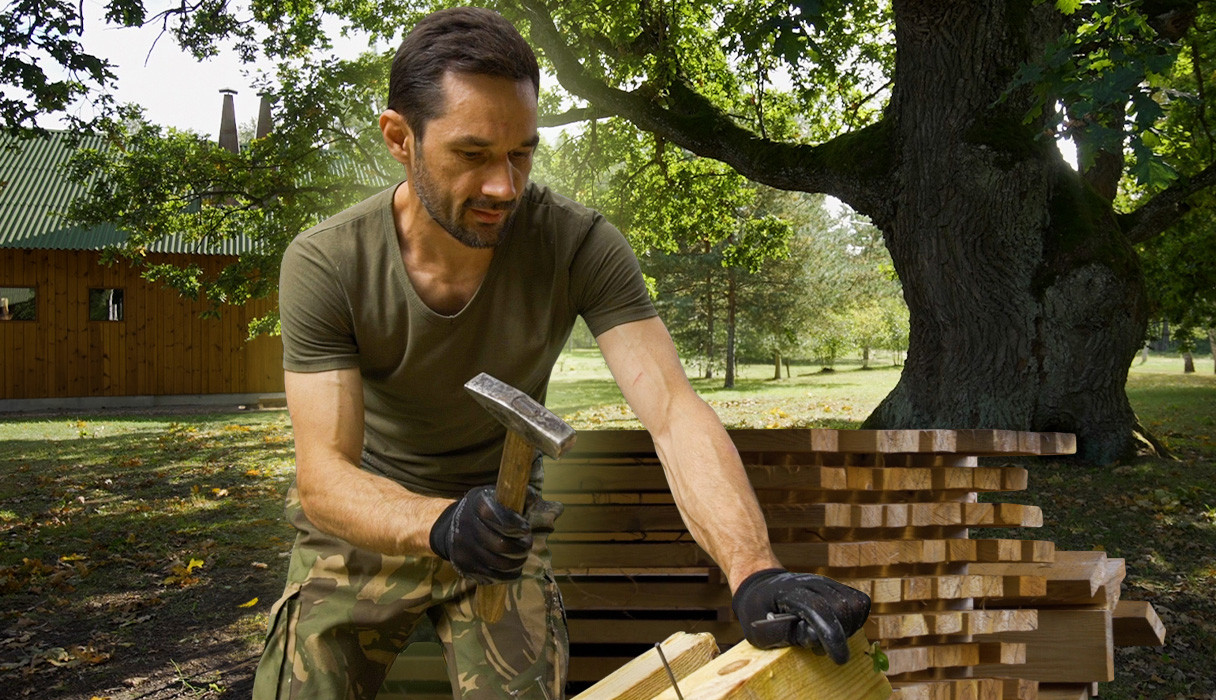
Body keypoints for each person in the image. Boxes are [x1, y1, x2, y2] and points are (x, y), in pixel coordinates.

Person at [253, 7, 869, 699]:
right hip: (369, 525)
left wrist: (754, 569)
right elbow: (324, 478)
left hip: (504, 532)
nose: (504, 188)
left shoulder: (577, 244)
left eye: (521, 153)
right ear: (400, 137)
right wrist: (439, 522)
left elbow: (672, 411)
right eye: (472, 154)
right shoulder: (327, 261)